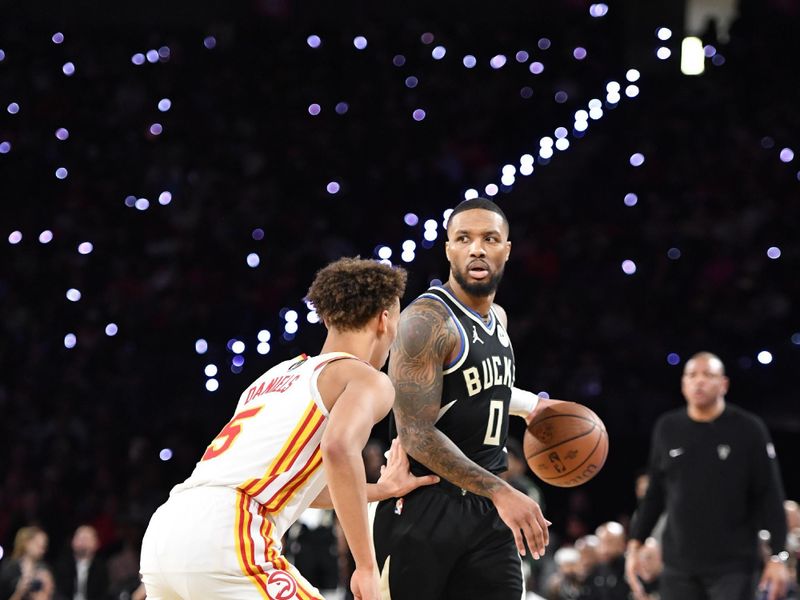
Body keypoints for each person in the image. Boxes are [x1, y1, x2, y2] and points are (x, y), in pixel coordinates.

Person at [139, 257, 438, 600]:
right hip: (229, 532)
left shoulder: (271, 377)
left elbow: (296, 487)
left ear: (328, 317)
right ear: (385, 320)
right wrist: (366, 566)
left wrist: (381, 489)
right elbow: (339, 448)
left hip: (166, 530)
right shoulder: (367, 379)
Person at [373, 197, 561, 599]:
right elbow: (417, 434)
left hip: (487, 514)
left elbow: (480, 388)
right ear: (449, 249)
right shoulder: (426, 321)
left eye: (490, 238)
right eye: (464, 238)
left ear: (506, 250)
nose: (477, 248)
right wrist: (501, 490)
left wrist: (533, 407)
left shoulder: (500, 320)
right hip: (424, 505)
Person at [626, 351, 790, 600]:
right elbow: (655, 494)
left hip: (734, 566)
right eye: (692, 375)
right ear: (683, 384)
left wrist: (779, 556)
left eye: (708, 375)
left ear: (723, 384)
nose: (699, 381)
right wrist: (635, 542)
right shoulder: (667, 427)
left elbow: (770, 495)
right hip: (678, 565)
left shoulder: (748, 428)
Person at [53, 525, 109, 600]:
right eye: (79, 538)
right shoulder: (62, 566)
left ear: (96, 543)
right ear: (72, 542)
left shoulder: (102, 568)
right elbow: (58, 592)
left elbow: (105, 594)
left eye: (86, 538)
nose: (82, 542)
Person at [0, 526, 53, 600]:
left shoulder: (44, 569)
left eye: (44, 546)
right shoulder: (10, 567)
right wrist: (19, 592)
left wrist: (48, 590)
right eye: (38, 544)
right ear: (26, 543)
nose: (42, 549)